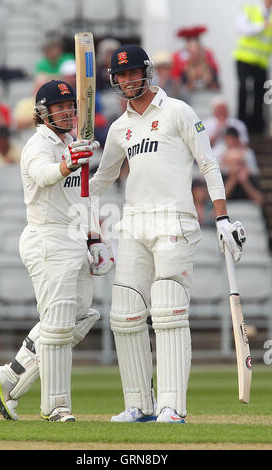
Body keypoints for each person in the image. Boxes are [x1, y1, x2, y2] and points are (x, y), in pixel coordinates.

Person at [89, 44, 246, 424]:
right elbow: (101, 180)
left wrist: (222, 217)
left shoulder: (178, 111)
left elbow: (209, 164)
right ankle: (139, 404)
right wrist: (73, 169)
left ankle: (171, 406)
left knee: (169, 313)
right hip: (134, 222)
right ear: (115, 80)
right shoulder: (119, 128)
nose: (128, 81)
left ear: (147, 72)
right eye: (121, 75)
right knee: (125, 316)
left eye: (133, 73)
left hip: (174, 221)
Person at [0, 79, 113, 422]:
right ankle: (55, 407)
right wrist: (69, 163)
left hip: (74, 237)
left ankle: (10, 377)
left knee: (82, 316)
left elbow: (83, 197)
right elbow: (44, 176)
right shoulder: (36, 145)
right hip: (46, 239)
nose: (68, 112)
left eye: (71, 106)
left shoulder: (74, 142)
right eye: (60, 107)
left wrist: (94, 238)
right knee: (57, 327)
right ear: (43, 113)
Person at [233, 0, 272, 134]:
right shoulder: (250, 9)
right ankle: (241, 123)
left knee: (260, 93)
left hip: (261, 62)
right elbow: (242, 28)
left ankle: (257, 126)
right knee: (244, 89)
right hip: (244, 58)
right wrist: (263, 25)